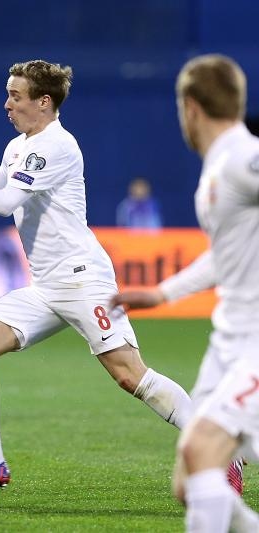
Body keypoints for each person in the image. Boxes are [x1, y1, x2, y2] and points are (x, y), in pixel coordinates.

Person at [0, 59, 220, 496]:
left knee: (130, 376)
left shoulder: (56, 145)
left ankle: (219, 453)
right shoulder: (18, 146)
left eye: (16, 95)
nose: (6, 104)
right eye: (8, 94)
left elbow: (7, 202)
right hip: (46, 284)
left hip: (83, 279)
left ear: (43, 102)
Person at [112, 54, 259, 533]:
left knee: (202, 455)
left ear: (190, 107)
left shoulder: (241, 157)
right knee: (190, 481)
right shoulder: (218, 167)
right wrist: (162, 293)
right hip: (228, 343)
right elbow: (224, 254)